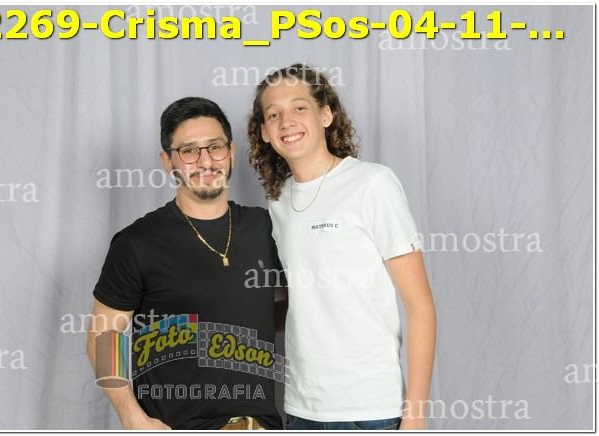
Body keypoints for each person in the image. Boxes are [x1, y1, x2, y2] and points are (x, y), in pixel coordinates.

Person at [247, 64, 437, 431]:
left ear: (325, 115)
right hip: (302, 406)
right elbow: (305, 299)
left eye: (299, 107)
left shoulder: (372, 184)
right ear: (265, 133)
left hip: (369, 408)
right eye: (273, 114)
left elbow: (421, 307)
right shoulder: (279, 201)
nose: (286, 121)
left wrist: (415, 417)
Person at [86, 97, 283, 430]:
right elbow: (103, 335)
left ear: (231, 152)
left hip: (260, 426)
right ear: (168, 161)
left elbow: (297, 309)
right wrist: (131, 416)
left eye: (215, 147)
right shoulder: (138, 242)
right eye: (189, 151)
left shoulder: (268, 228)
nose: (206, 161)